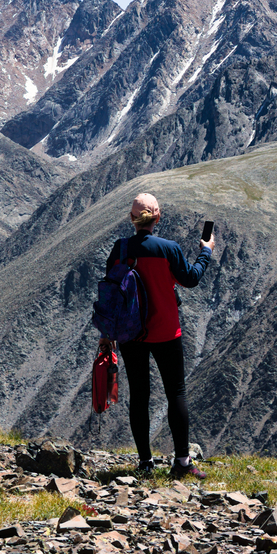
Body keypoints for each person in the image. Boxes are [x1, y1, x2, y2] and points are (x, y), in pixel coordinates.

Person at [101, 191, 215, 479]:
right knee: (175, 392)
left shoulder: (120, 250)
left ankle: (144, 463)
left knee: (139, 395)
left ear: (132, 219)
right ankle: (182, 463)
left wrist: (107, 333)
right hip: (166, 330)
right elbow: (190, 279)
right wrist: (206, 251)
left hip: (131, 333)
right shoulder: (169, 249)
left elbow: (110, 292)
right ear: (158, 218)